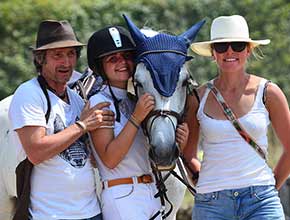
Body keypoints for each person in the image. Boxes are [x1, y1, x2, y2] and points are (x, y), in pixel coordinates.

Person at [184, 15, 290, 219]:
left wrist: (271, 184)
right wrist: (205, 180)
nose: (230, 51)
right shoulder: (198, 97)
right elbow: (188, 154)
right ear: (213, 53)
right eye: (222, 47)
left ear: (248, 50)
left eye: (238, 45)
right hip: (211, 203)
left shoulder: (269, 92)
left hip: (261, 201)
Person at [8, 20, 114, 220]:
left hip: (92, 212)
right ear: (40, 59)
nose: (66, 63)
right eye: (58, 55)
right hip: (50, 215)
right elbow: (36, 151)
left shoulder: (76, 98)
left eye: (71, 54)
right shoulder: (29, 93)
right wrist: (83, 125)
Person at [87, 25, 189, 220]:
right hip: (122, 197)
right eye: (113, 59)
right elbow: (110, 160)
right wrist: (136, 118)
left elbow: (146, 159)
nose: (122, 62)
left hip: (149, 192)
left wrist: (179, 144)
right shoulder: (99, 103)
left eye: (126, 56)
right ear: (100, 66)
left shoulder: (133, 102)